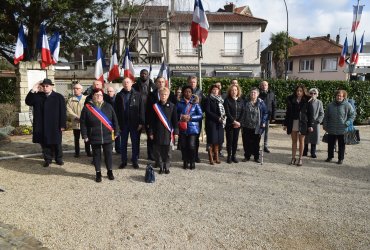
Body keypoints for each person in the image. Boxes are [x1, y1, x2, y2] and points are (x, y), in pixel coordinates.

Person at [80, 89, 120, 182]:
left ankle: (110, 171)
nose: (99, 96)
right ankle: (98, 172)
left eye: (100, 95)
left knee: (108, 155)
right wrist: (85, 135)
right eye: (96, 95)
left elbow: (115, 120)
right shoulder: (87, 107)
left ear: (103, 96)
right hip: (94, 135)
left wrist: (117, 132)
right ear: (92, 96)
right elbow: (83, 123)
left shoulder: (108, 106)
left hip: (108, 135)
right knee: (96, 156)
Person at [25, 78, 66, 167]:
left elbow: (63, 112)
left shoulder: (59, 97)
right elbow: (28, 102)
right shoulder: (37, 96)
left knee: (57, 142)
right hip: (42, 124)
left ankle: (59, 159)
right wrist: (33, 89)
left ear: (51, 87)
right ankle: (48, 159)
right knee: (45, 143)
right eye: (43, 86)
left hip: (55, 124)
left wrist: (62, 124)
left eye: (47, 86)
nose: (45, 88)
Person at [114, 77, 145, 169]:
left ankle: (135, 161)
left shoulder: (138, 95)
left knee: (135, 143)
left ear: (132, 83)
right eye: (124, 83)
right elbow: (116, 111)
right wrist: (117, 124)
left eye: (128, 82)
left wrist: (141, 122)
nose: (126, 84)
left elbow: (141, 109)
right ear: (123, 84)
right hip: (123, 124)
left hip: (135, 123)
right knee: (123, 143)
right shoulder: (119, 95)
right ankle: (124, 161)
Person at [148, 87, 178, 174]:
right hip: (157, 132)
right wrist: (151, 132)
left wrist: (176, 132)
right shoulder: (155, 106)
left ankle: (167, 167)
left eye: (165, 94)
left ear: (168, 95)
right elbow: (151, 121)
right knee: (158, 151)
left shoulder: (172, 106)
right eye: (161, 94)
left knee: (168, 151)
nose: (163, 96)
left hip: (168, 132)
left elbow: (175, 121)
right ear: (159, 95)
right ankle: (161, 166)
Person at [146, 77, 177, 162]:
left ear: (165, 83)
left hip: (167, 124)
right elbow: (148, 109)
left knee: (166, 145)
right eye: (159, 82)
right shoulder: (151, 94)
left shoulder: (170, 94)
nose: (160, 83)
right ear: (156, 83)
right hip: (155, 122)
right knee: (153, 142)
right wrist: (148, 123)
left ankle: (165, 161)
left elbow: (175, 108)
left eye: (162, 82)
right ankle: (154, 158)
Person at [283, 84, 314, 166]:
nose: (299, 92)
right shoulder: (291, 100)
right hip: (293, 122)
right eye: (297, 91)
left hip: (303, 123)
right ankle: (293, 158)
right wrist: (285, 124)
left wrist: (310, 125)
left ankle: (300, 158)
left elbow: (310, 114)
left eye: (300, 91)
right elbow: (288, 113)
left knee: (301, 141)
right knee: (294, 142)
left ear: (303, 92)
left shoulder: (308, 101)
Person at [323, 89, 355, 164]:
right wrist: (325, 125)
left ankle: (340, 159)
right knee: (330, 144)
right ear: (335, 96)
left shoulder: (347, 105)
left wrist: (348, 122)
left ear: (343, 97)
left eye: (341, 96)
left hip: (342, 128)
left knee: (341, 145)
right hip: (331, 128)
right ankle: (330, 157)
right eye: (338, 95)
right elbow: (326, 116)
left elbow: (353, 115)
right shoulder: (330, 105)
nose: (339, 97)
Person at [84, 80, 113, 156]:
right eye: (94, 84)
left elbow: (111, 110)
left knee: (106, 145)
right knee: (94, 146)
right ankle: (92, 155)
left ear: (101, 85)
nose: (96, 86)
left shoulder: (106, 97)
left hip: (105, 124)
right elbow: (85, 110)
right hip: (93, 125)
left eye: (98, 84)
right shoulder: (88, 97)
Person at [177, 86, 203, 170]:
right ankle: (185, 161)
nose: (187, 93)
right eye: (186, 91)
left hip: (193, 128)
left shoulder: (195, 103)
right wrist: (181, 117)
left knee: (191, 145)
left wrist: (191, 118)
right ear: (183, 93)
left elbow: (201, 115)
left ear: (192, 93)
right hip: (183, 127)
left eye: (189, 91)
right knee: (183, 146)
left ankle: (192, 161)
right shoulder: (179, 103)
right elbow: (175, 114)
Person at [241, 88, 268, 163]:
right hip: (246, 125)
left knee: (256, 143)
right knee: (246, 142)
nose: (253, 94)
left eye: (255, 93)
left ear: (258, 94)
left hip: (257, 126)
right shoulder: (246, 102)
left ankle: (256, 157)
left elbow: (265, 113)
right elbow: (242, 112)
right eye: (252, 92)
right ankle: (247, 156)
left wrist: (263, 121)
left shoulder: (261, 103)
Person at [204, 84, 225, 165]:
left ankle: (216, 157)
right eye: (214, 89)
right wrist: (217, 118)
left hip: (219, 123)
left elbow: (223, 110)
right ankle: (210, 158)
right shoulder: (208, 99)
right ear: (211, 90)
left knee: (217, 141)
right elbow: (208, 111)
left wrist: (223, 118)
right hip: (211, 123)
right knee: (211, 141)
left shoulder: (220, 99)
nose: (215, 91)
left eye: (217, 89)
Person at [223, 84, 244, 164]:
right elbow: (227, 112)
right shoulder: (227, 100)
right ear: (230, 91)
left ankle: (234, 156)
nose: (234, 91)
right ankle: (229, 156)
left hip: (238, 124)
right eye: (232, 90)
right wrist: (234, 121)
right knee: (229, 141)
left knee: (235, 141)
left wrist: (239, 122)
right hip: (229, 124)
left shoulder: (241, 100)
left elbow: (243, 112)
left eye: (235, 90)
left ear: (238, 91)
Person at [66, 83, 88, 158]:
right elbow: (68, 110)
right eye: (74, 88)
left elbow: (89, 109)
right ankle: (77, 152)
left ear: (81, 90)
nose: (75, 90)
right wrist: (76, 117)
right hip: (76, 122)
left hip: (85, 122)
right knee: (76, 139)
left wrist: (83, 118)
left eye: (77, 88)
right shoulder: (70, 100)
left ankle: (88, 151)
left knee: (86, 137)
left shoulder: (86, 99)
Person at [187, 76, 205, 163]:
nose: (192, 83)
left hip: (197, 119)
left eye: (194, 82)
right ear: (188, 82)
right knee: (187, 138)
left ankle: (195, 155)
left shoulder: (200, 92)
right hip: (187, 118)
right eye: (191, 82)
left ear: (196, 83)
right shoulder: (186, 91)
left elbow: (204, 104)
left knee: (196, 138)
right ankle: (187, 156)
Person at [303, 88, 324, 158]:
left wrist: (318, 121)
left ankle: (313, 152)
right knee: (306, 137)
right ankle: (305, 151)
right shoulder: (306, 102)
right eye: (311, 93)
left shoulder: (319, 102)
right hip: (306, 122)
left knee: (314, 138)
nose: (313, 95)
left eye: (314, 93)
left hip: (315, 123)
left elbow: (322, 113)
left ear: (317, 95)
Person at [258, 80, 277, 153]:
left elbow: (274, 105)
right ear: (260, 86)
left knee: (266, 132)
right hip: (259, 116)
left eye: (265, 85)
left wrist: (273, 116)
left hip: (268, 116)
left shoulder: (271, 94)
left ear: (268, 86)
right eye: (262, 85)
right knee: (259, 131)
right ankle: (258, 145)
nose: (264, 86)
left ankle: (265, 146)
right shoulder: (258, 93)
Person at [106, 86, 121, 154]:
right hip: (108, 120)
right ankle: (110, 149)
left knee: (117, 135)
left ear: (114, 92)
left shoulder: (117, 99)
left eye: (111, 91)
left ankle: (118, 149)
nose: (109, 93)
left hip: (117, 120)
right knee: (110, 135)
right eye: (108, 91)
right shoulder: (105, 100)